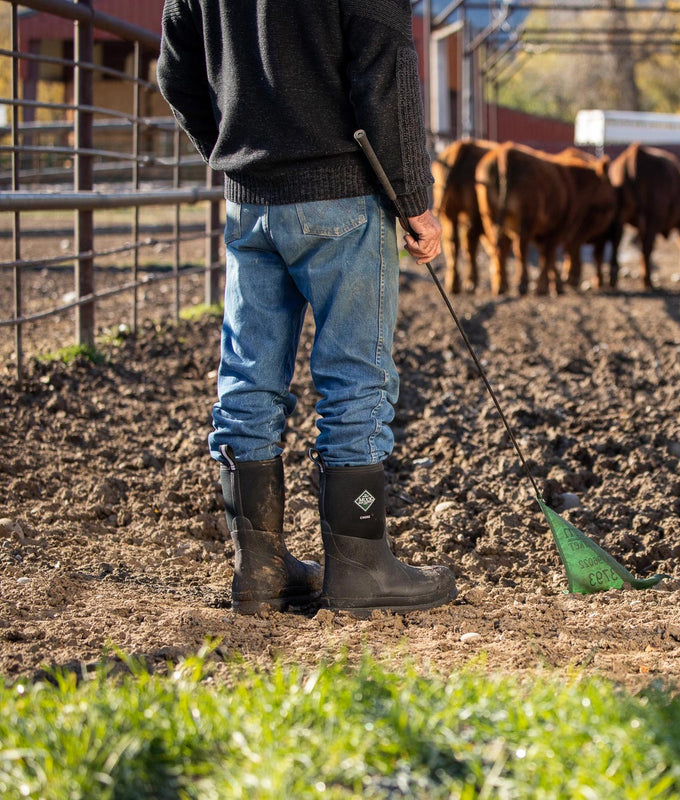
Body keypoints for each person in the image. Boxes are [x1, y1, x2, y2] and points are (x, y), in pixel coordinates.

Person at [158, 0, 457, 615]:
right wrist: (414, 201)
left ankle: (259, 569)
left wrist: (231, 149)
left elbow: (174, 69)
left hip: (249, 200)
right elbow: (387, 73)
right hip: (341, 194)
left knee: (248, 376)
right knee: (355, 373)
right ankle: (358, 566)